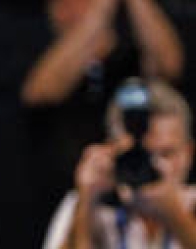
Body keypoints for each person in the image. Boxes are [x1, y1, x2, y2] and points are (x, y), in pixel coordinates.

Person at [23, 0, 184, 240]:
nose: (75, 10)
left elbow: (170, 65)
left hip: (147, 213)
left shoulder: (131, 61)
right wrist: (102, 6)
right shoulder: (41, 61)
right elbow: (40, 93)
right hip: (70, 214)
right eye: (63, 0)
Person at [42, 80, 196, 248]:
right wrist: (87, 203)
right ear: (112, 150)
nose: (156, 166)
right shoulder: (89, 203)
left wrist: (176, 216)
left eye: (167, 154)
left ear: (189, 153)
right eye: (141, 155)